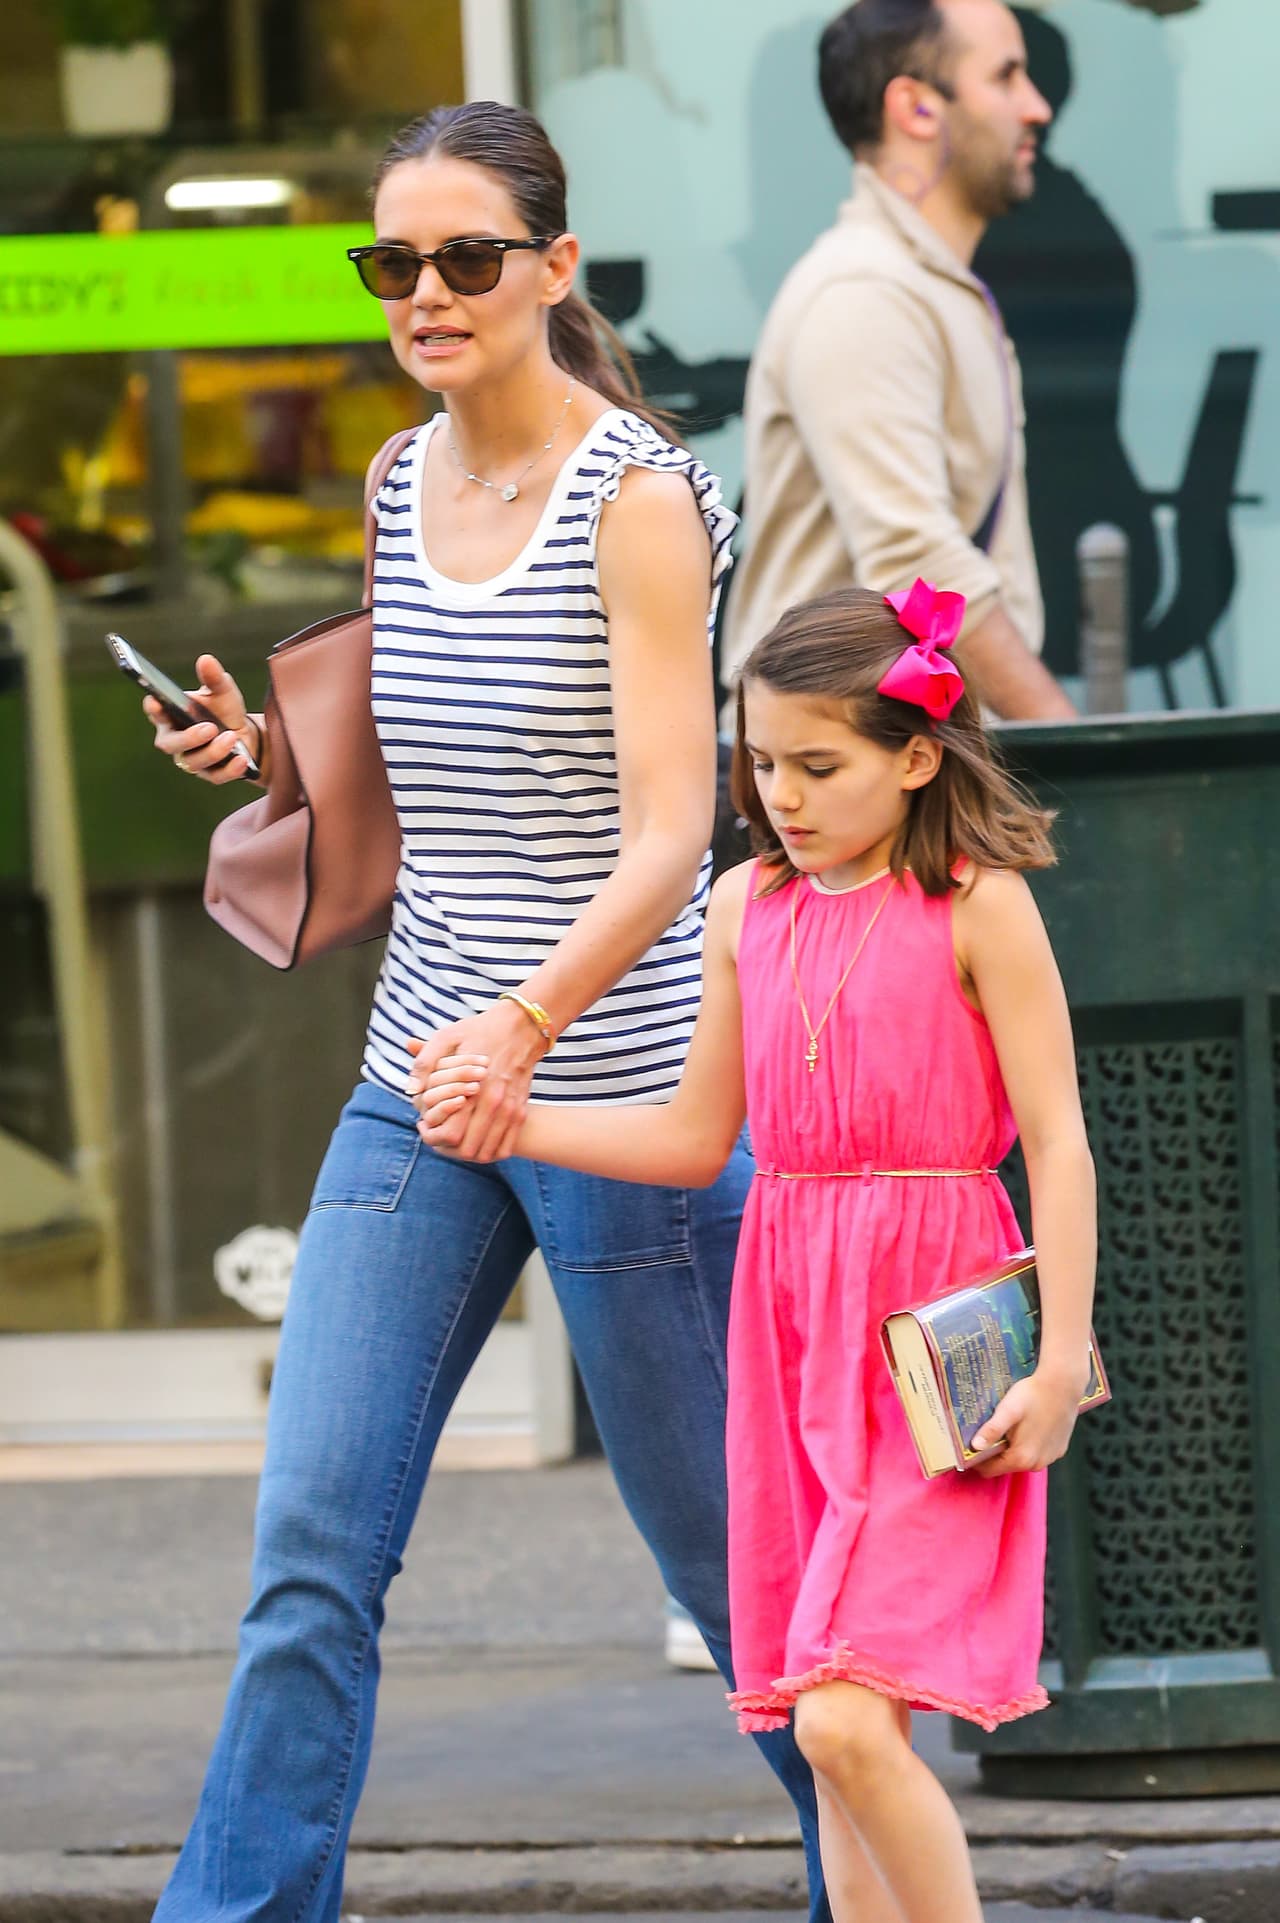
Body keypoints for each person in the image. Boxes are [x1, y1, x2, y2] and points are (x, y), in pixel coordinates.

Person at [140, 101, 830, 1923]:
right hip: (420, 1086)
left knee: (743, 1582)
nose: (427, 293)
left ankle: (891, 1891)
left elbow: (677, 821)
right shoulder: (393, 479)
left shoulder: (643, 497)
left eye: (466, 257)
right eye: (395, 263)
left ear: (553, 268)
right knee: (309, 1550)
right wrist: (261, 755)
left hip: (618, 1101)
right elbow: (429, 769)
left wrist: (525, 1027)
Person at [417, 579, 1098, 1923]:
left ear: (916, 754)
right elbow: (692, 1136)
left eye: (818, 763)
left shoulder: (980, 900)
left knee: (847, 1723)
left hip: (934, 1335)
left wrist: (1062, 1361)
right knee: (827, 1734)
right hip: (791, 1331)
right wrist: (519, 1115)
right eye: (761, 761)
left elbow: (1060, 1142)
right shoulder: (746, 906)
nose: (780, 792)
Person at [723, 0, 1076, 722]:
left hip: (878, 769)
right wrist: (1071, 752)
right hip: (829, 782)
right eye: (1006, 77)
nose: (1036, 107)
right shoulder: (865, 294)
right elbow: (920, 570)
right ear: (916, 108)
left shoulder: (918, 287)